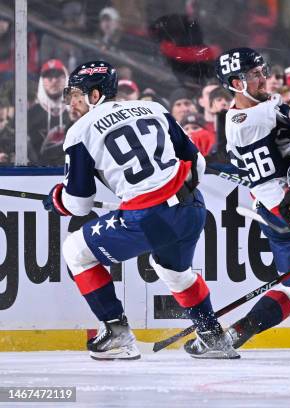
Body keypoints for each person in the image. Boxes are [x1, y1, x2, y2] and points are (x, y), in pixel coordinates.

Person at [42, 60, 238, 360]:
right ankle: (212, 335)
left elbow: (79, 204)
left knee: (75, 251)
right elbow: (197, 163)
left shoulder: (80, 131)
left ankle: (117, 333)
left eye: (78, 95)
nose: (72, 102)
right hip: (192, 208)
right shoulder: (155, 109)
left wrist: (57, 199)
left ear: (95, 96)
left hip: (149, 216)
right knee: (174, 270)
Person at [214, 48, 290, 350]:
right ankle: (239, 332)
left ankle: (239, 330)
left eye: (261, 71)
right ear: (236, 84)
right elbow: (267, 183)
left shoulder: (263, 107)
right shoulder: (246, 125)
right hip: (286, 211)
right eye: (253, 75)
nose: (263, 78)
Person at [28, 59, 71, 166]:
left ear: (66, 79)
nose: (54, 81)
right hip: (36, 174)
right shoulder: (28, 115)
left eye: (58, 76)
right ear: (41, 81)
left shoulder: (77, 111)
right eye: (48, 77)